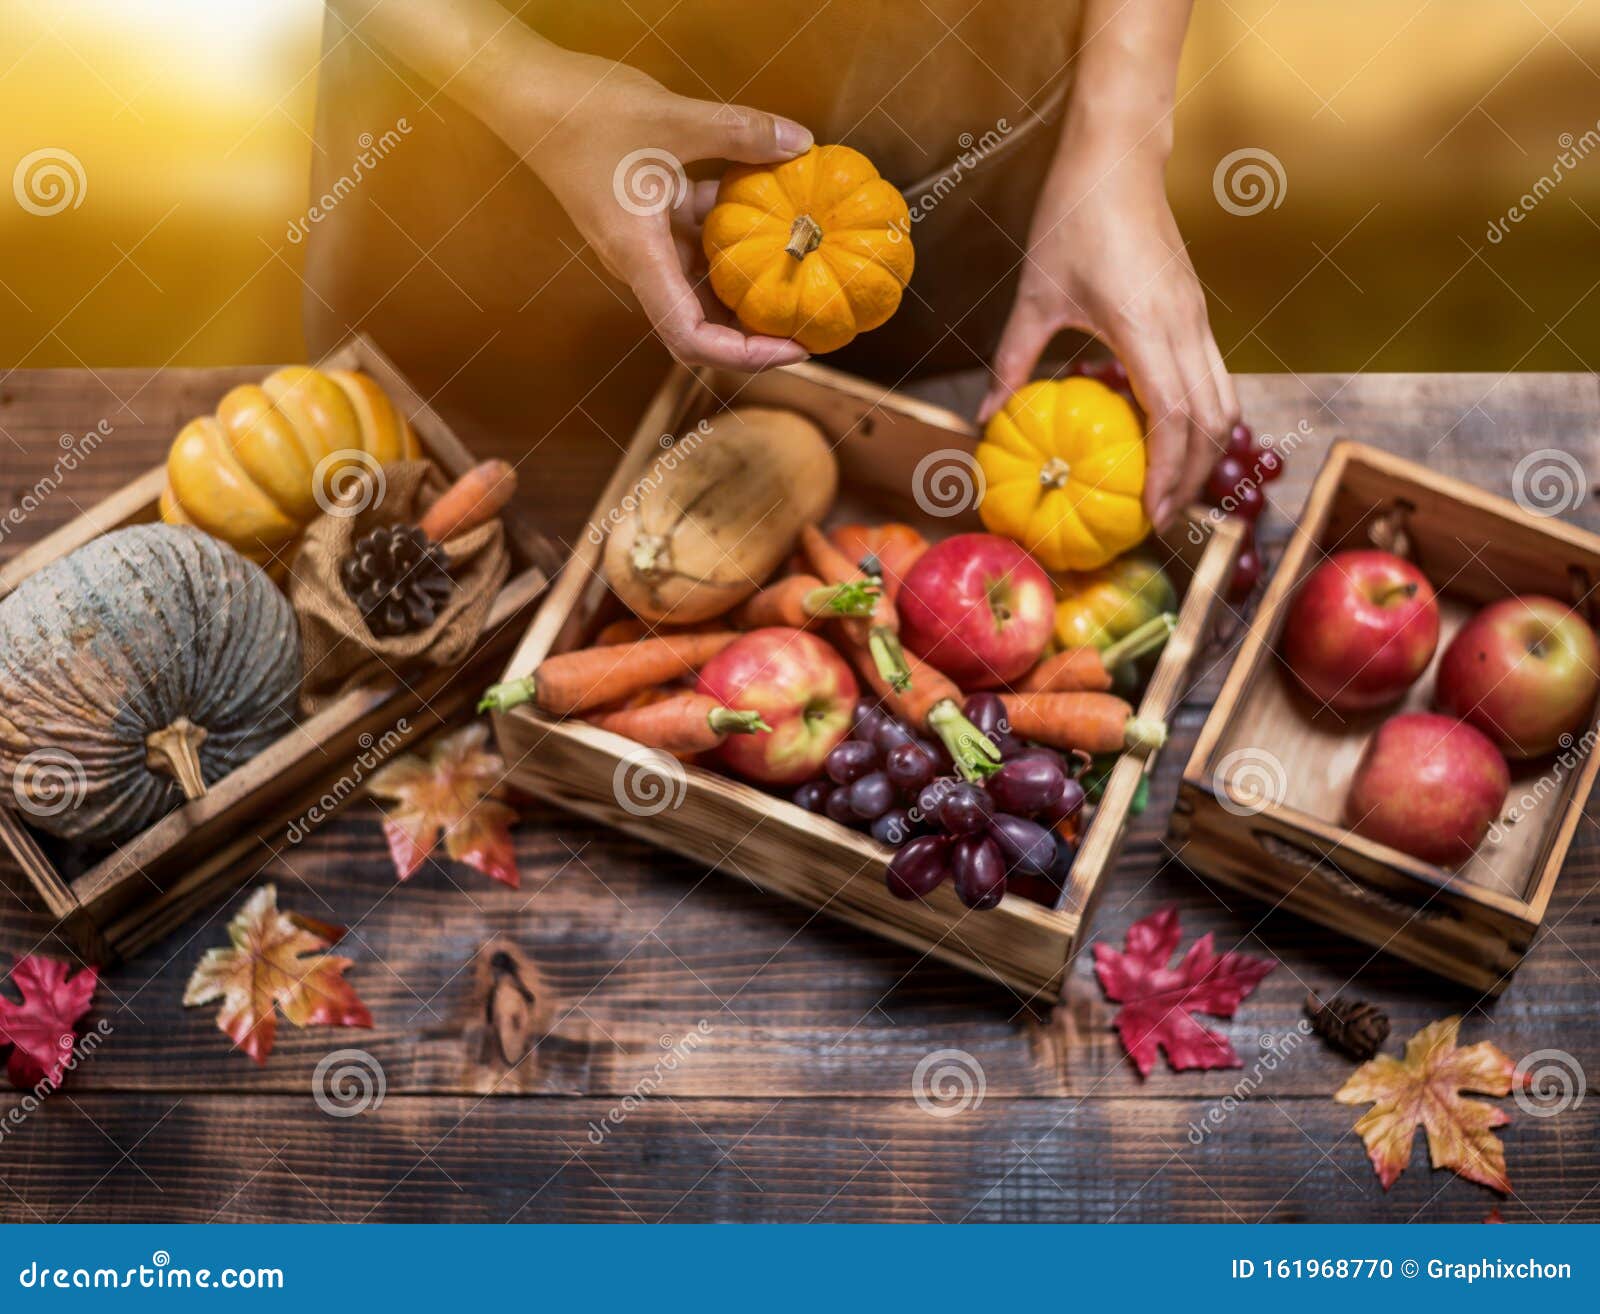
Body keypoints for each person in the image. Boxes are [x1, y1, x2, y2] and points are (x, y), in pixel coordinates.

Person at [306, 0, 1237, 539]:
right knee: (438, 521)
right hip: (485, 150)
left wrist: (1121, 131)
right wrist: (510, 78)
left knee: (940, 472)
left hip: (959, 121)